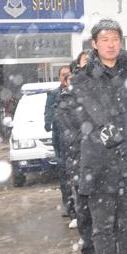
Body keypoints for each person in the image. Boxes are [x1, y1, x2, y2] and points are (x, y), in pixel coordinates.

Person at [69, 19, 127, 254]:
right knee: (102, 227)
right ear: (94, 44)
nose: (111, 44)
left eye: (115, 38)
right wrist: (100, 133)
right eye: (105, 39)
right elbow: (78, 118)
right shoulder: (82, 79)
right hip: (98, 163)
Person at [54, 64, 96, 254]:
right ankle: (90, 252)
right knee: (85, 212)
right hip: (80, 163)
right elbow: (75, 133)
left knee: (107, 213)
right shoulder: (66, 102)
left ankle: (109, 252)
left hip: (104, 164)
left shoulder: (100, 97)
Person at [45, 65, 76, 226]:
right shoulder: (54, 94)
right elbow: (49, 112)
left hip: (75, 141)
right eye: (63, 75)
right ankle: (69, 206)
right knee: (64, 177)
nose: (66, 77)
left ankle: (78, 210)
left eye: (68, 74)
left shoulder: (78, 93)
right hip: (60, 141)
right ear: (59, 77)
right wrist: (48, 123)